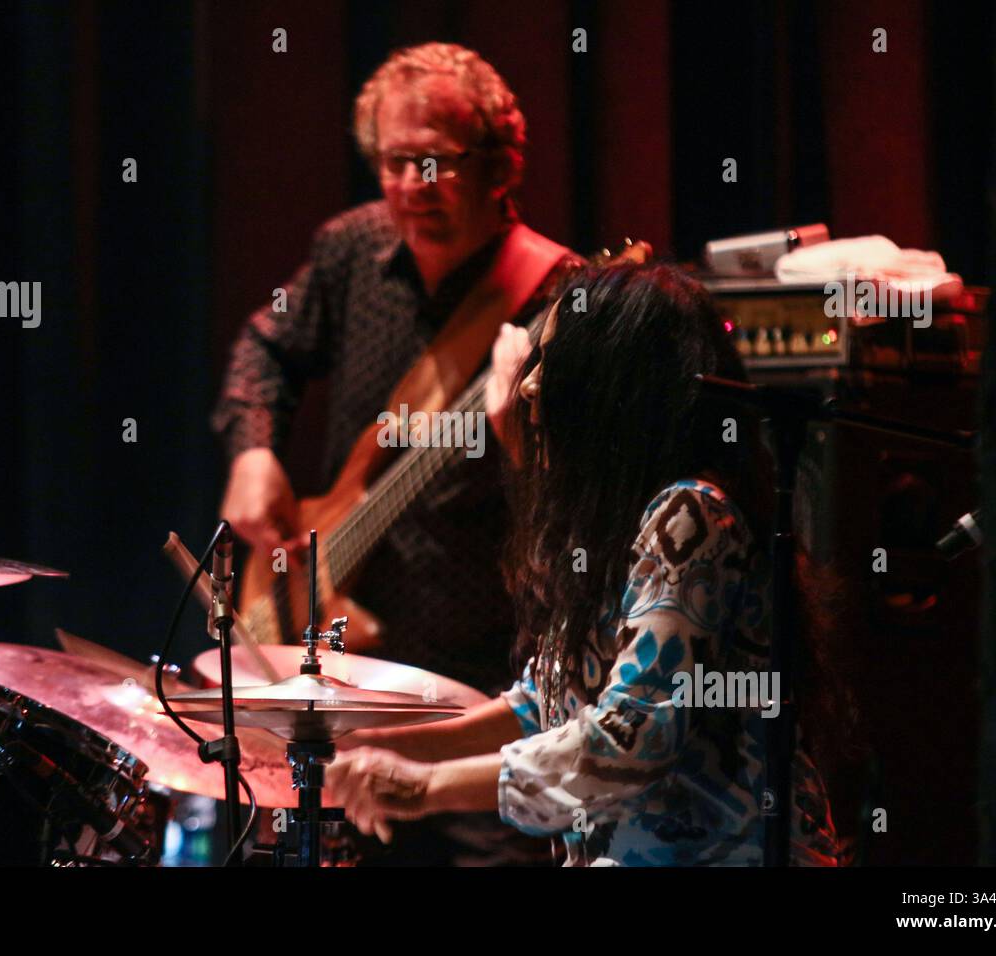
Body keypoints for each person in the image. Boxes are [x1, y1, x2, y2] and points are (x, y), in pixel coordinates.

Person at [327, 262, 843, 866]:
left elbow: (630, 740)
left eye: (552, 365)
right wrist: (367, 747)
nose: (527, 387)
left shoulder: (692, 515)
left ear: (613, 389)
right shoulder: (613, 527)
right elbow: (539, 706)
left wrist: (421, 788)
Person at [211, 43, 579, 864]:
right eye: (392, 162)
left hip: (480, 694)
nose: (415, 185)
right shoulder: (350, 251)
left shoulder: (560, 295)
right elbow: (265, 350)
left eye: (438, 161)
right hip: (346, 690)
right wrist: (255, 449)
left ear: (498, 166)